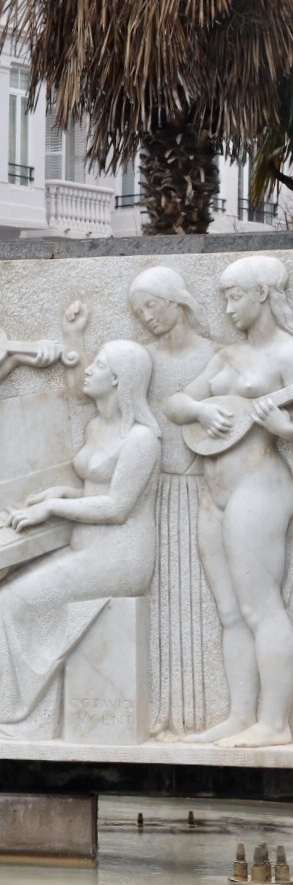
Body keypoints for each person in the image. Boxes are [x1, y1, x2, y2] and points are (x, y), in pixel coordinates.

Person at [0, 340, 162, 739]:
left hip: (121, 558)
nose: (90, 369)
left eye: (98, 364)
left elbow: (117, 507)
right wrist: (63, 494)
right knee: (1, 598)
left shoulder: (141, 440)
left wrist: (54, 510)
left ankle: (7, 721)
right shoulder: (97, 426)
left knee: (10, 601)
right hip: (88, 549)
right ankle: (26, 719)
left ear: (118, 379)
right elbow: (97, 490)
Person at [175, 256, 293, 748]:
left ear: (263, 293)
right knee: (229, 611)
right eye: (223, 296)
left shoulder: (288, 355)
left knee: (261, 605)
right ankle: (240, 715)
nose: (226, 308)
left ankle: (274, 722)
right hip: (215, 491)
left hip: (259, 486)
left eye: (234, 296)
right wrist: (201, 409)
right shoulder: (226, 357)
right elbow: (177, 402)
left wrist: (283, 428)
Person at [126, 268, 222, 736]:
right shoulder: (142, 360)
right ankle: (163, 710)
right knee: (163, 602)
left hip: (205, 492)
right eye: (139, 311)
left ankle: (207, 711)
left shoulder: (217, 357)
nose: (146, 318)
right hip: (158, 494)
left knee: (205, 599)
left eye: (152, 305)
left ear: (176, 300)